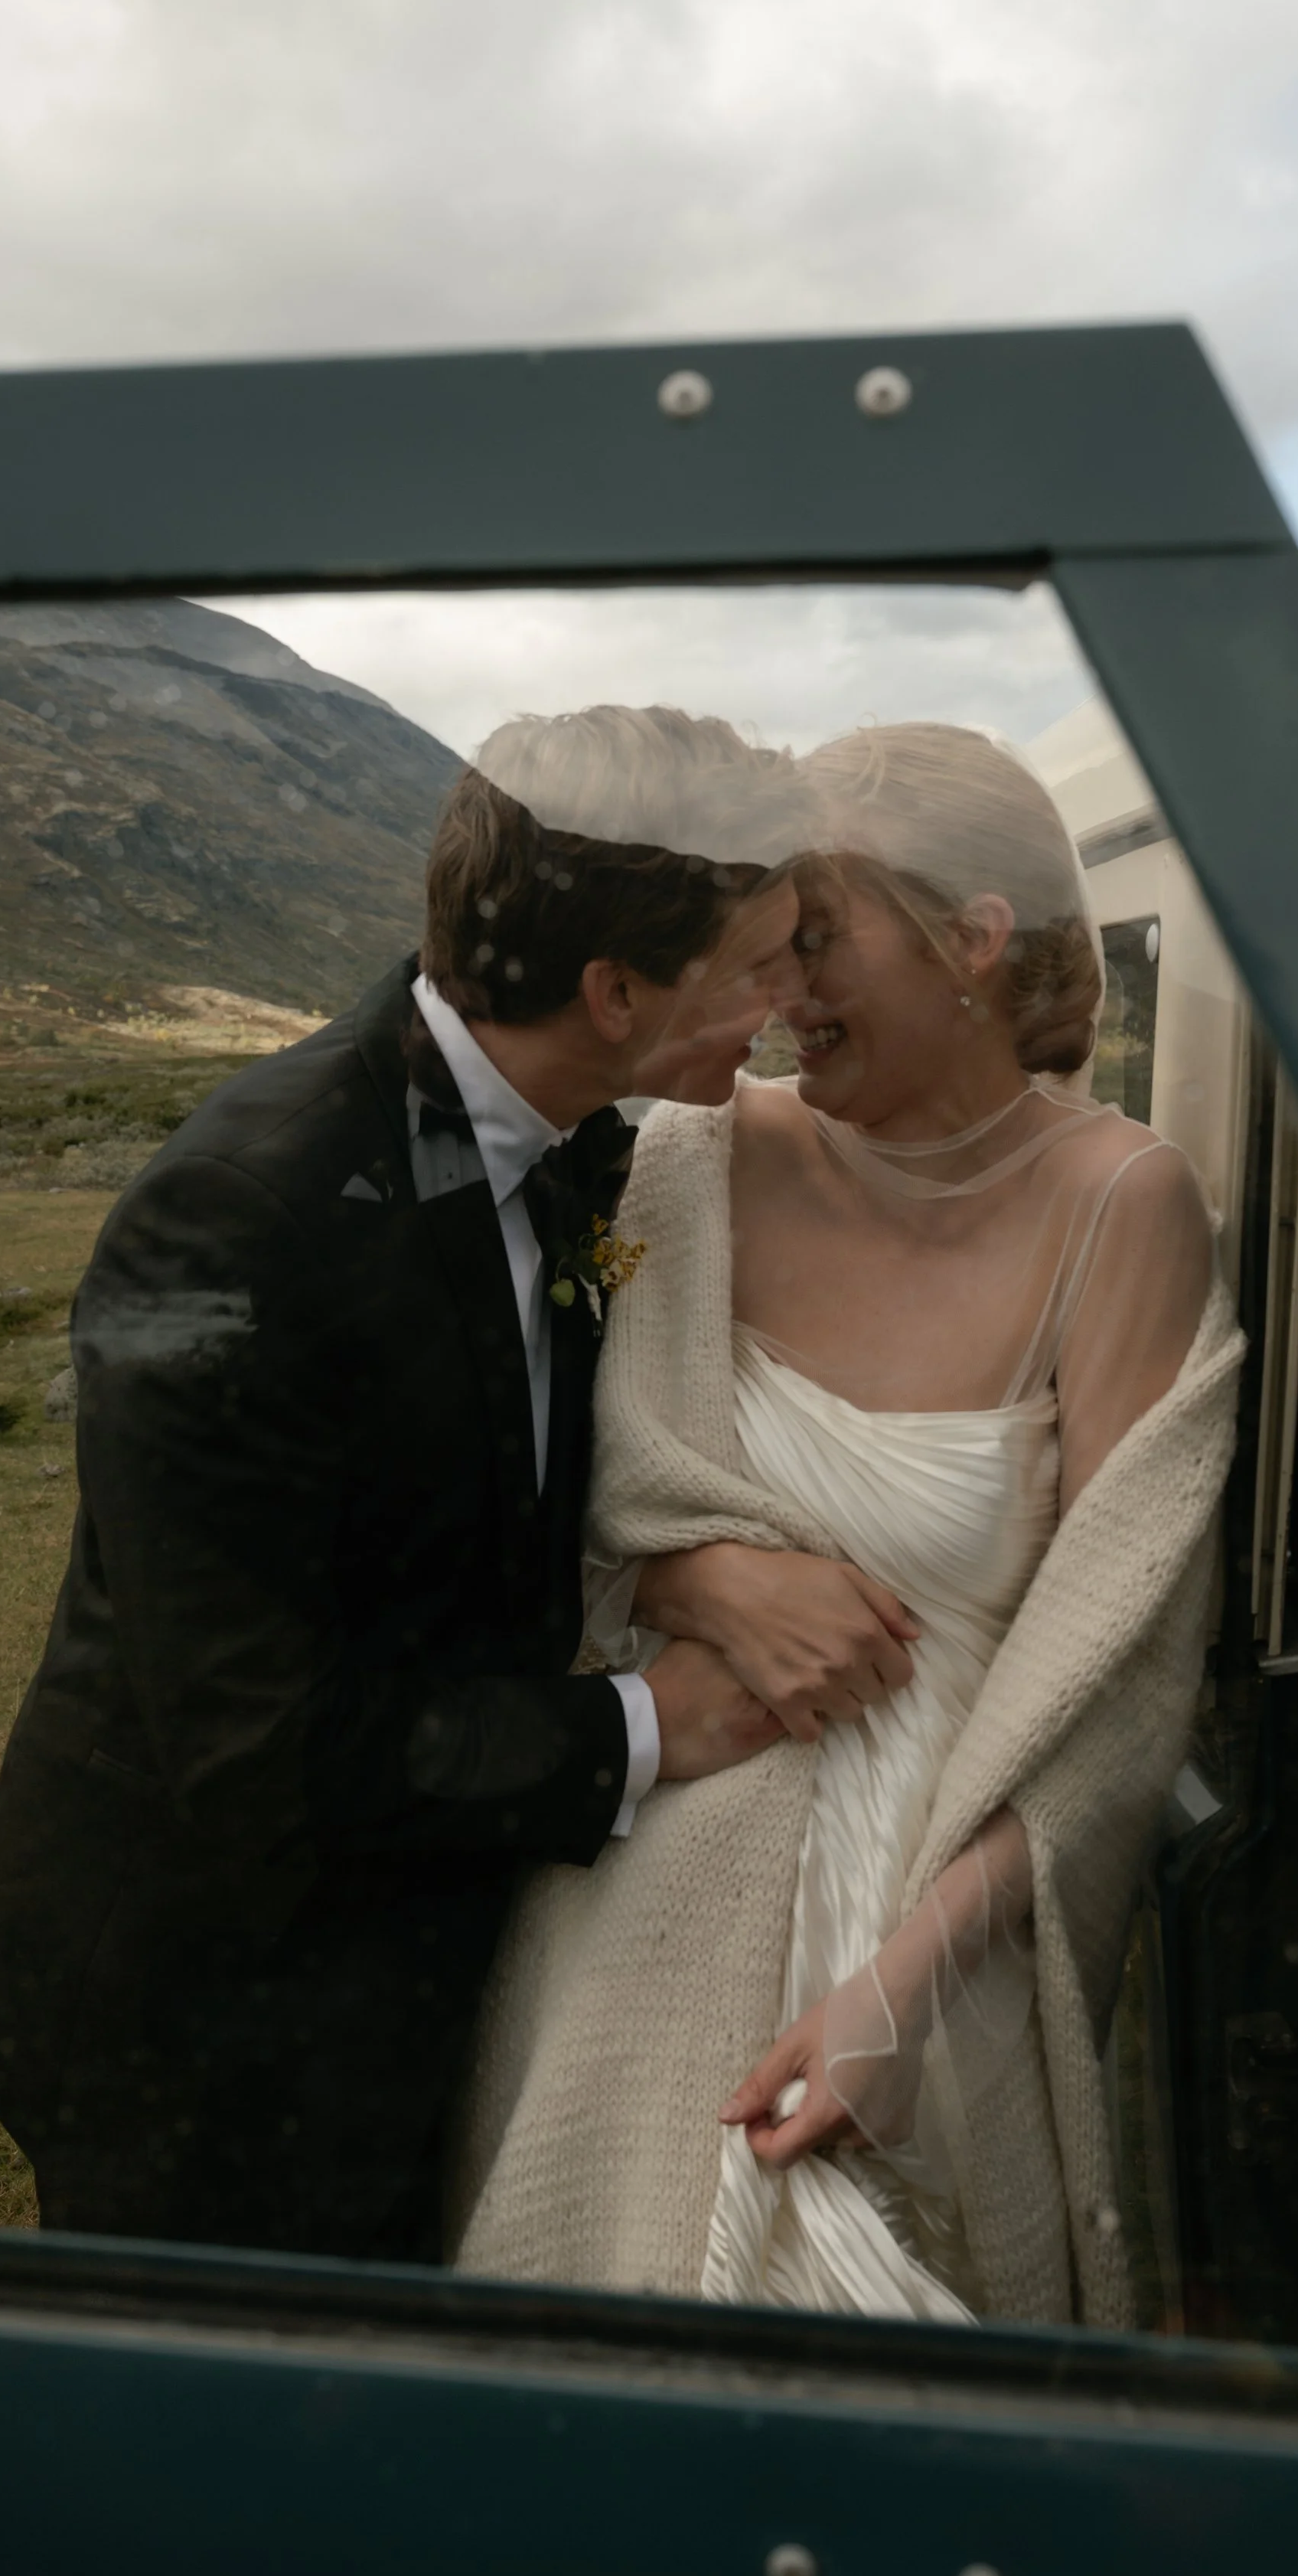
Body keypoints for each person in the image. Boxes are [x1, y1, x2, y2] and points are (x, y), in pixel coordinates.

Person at [0, 706, 822, 2263]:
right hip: (204, 2015)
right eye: (756, 965)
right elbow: (257, 1745)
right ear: (613, 990)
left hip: (399, 1956)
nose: (786, 999)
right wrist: (643, 1725)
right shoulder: (239, 1218)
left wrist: (678, 1565)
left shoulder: (573, 1151)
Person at [452, 721, 1244, 2327]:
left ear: (970, 939)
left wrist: (909, 1990)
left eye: (811, 938)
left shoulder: (1120, 1205)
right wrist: (691, 1566)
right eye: (760, 946)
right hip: (646, 1900)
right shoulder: (680, 1162)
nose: (769, 994)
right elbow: (526, 1485)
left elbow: (1117, 1670)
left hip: (934, 1923)